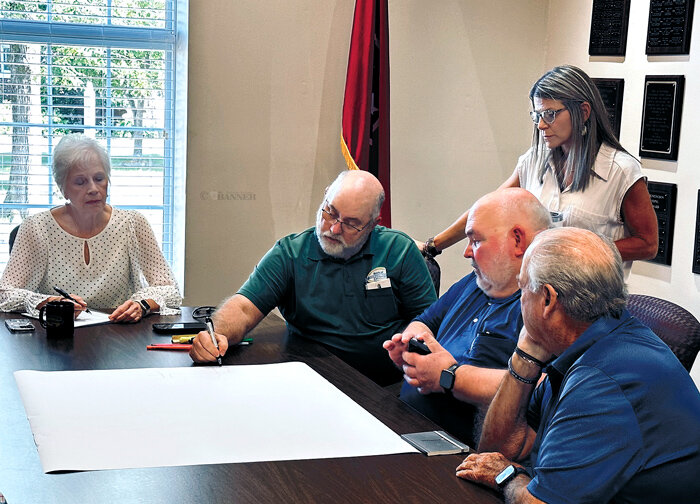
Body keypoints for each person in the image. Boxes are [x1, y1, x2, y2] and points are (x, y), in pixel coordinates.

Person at [456, 227, 700, 503]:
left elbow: (537, 498)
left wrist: (506, 476)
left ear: (547, 299)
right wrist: (523, 357)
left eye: (522, 287)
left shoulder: (603, 381)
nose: (520, 299)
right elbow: (502, 450)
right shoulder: (588, 341)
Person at [189, 170, 436, 385]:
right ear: (325, 195)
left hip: (386, 386)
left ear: (373, 224)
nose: (333, 228)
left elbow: (431, 325)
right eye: (330, 212)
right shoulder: (291, 253)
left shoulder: (399, 251)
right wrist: (216, 334)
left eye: (351, 224)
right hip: (310, 378)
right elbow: (243, 308)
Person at [419, 65, 657, 277]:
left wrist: (578, 250)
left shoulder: (621, 171)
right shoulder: (533, 160)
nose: (542, 124)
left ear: (583, 112)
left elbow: (648, 244)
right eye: (537, 116)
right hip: (535, 293)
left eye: (550, 114)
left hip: (592, 302)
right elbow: (486, 211)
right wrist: (434, 245)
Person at [383, 188, 551, 445]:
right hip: (407, 422)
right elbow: (425, 322)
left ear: (518, 240)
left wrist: (450, 376)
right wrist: (413, 349)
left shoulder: (547, 305)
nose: (466, 252)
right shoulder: (476, 282)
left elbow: (545, 388)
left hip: (462, 451)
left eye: (476, 240)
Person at [0, 134, 181, 322]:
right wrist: (49, 302)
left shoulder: (133, 224)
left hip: (120, 334)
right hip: (58, 335)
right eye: (80, 182)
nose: (93, 188)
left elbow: (169, 289)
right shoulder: (36, 228)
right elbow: (5, 293)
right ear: (63, 188)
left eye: (99, 178)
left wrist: (142, 305)